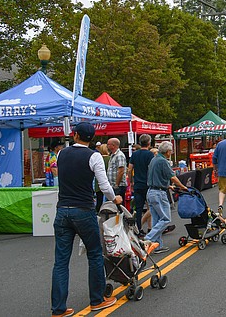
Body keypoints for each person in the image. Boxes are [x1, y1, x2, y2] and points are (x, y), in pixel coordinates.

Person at [51, 122, 121, 316]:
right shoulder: (94, 156)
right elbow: (104, 185)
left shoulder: (61, 154)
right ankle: (97, 300)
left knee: (61, 261)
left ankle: (58, 308)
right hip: (83, 210)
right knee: (95, 254)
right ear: (91, 139)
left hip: (62, 210)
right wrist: (114, 198)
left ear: (74, 135)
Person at [145, 141, 188, 254]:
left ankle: (158, 246)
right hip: (159, 193)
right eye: (171, 151)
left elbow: (155, 176)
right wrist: (183, 187)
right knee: (165, 219)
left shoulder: (154, 159)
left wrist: (167, 185)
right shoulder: (163, 161)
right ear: (168, 152)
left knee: (156, 220)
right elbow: (173, 177)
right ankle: (148, 239)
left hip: (151, 191)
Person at [127, 134, 154, 234]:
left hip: (137, 183)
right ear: (149, 143)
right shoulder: (150, 154)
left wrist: (131, 182)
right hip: (148, 183)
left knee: (138, 208)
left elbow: (129, 169)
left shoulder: (135, 154)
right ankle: (150, 227)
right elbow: (151, 169)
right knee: (151, 207)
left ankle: (139, 229)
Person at [94, 144, 110, 213]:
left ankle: (98, 213)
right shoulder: (109, 159)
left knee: (99, 200)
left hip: (98, 182)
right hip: (107, 181)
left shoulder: (97, 159)